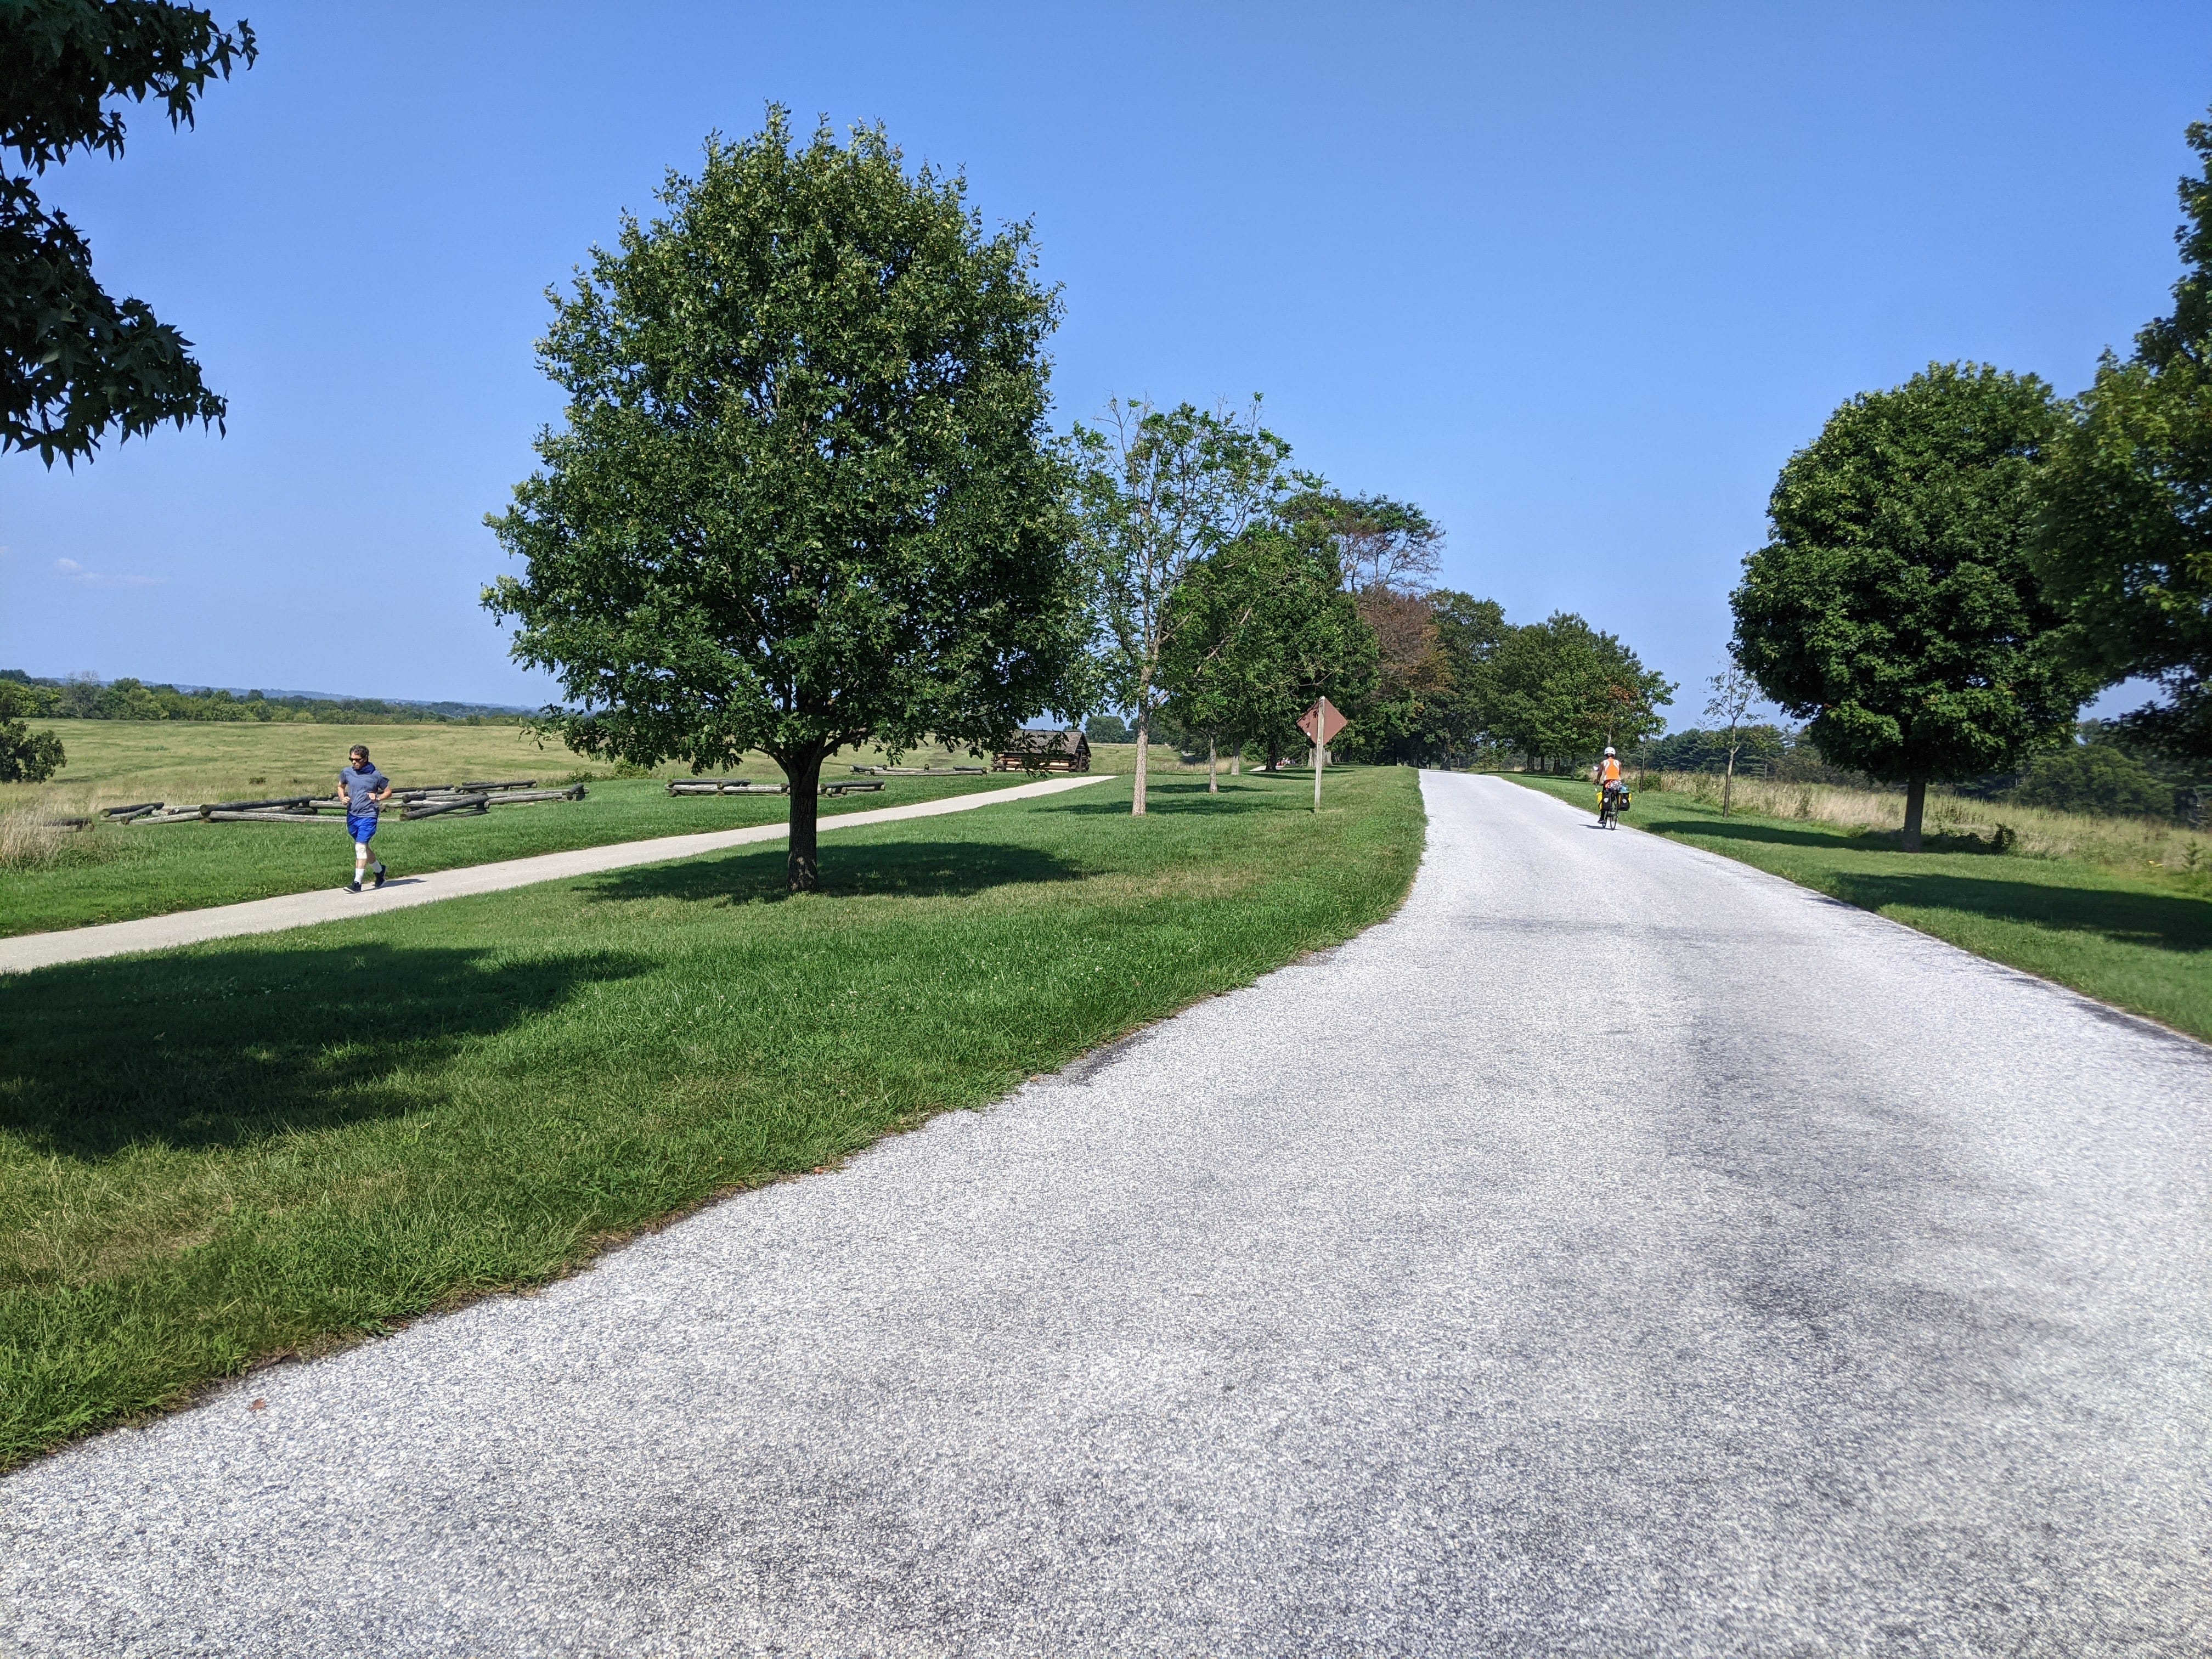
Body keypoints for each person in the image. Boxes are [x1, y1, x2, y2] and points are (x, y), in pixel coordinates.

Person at [339, 743, 393, 893]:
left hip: (369, 814)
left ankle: (357, 883)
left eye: (357, 759)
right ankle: (380, 870)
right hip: (353, 814)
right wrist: (342, 797)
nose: (354, 762)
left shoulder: (376, 775)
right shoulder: (347, 772)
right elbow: (340, 786)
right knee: (363, 846)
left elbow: (388, 792)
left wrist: (378, 797)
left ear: (366, 759)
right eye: (351, 759)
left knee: (360, 847)